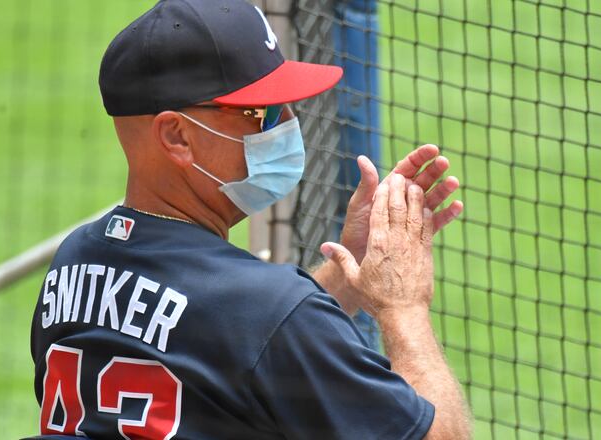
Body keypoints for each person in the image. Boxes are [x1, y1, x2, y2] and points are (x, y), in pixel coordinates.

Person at [29, 0, 469, 438]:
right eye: (264, 114)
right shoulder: (267, 311)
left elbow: (243, 341)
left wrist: (348, 264)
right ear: (176, 136)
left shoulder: (73, 264)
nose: (289, 125)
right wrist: (403, 307)